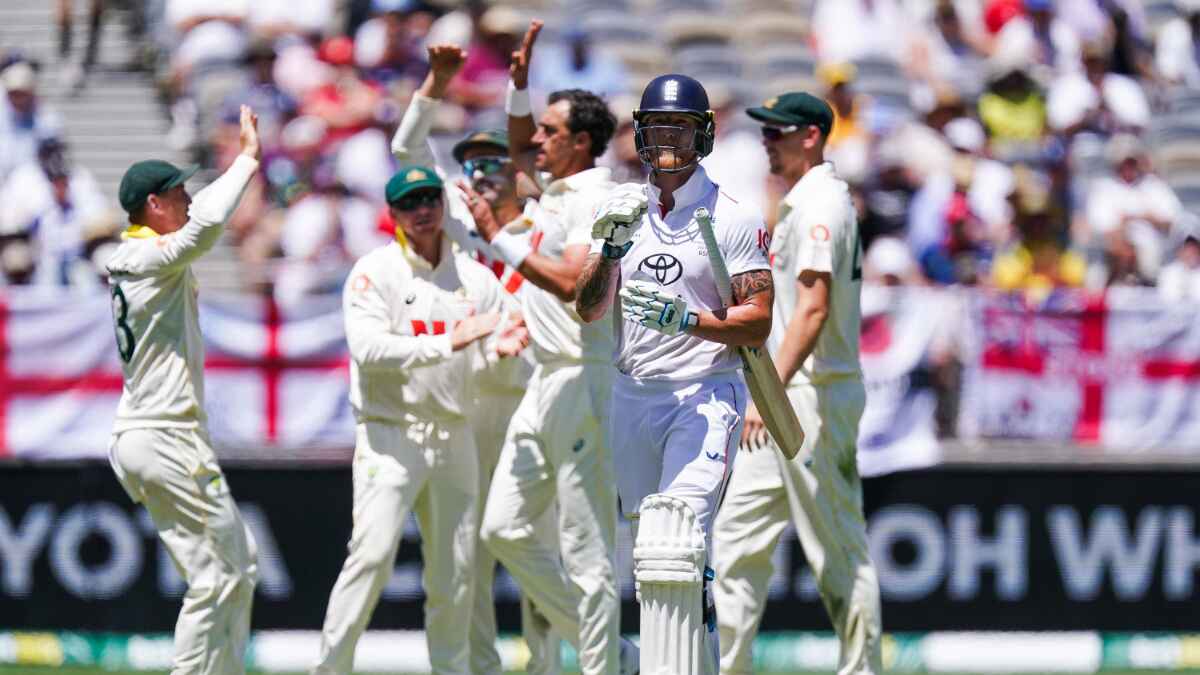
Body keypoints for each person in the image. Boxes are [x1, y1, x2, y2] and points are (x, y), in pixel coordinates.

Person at [576, 73, 774, 675]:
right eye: (659, 125)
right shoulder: (622, 209)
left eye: (681, 127)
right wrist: (607, 250)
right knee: (652, 557)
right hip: (631, 394)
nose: (668, 138)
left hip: (704, 394)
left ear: (703, 134)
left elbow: (757, 323)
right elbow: (588, 309)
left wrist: (689, 320)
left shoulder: (733, 215)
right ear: (639, 131)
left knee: (677, 542)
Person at [467, 20, 637, 675]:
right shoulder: (560, 187)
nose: (535, 140)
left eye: (550, 131)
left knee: (586, 546)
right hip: (547, 379)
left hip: (584, 379)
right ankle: (616, 656)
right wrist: (518, 85)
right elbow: (517, 147)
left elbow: (573, 283)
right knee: (503, 528)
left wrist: (497, 235)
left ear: (582, 143)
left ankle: (602, 667)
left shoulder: (602, 197)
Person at [311, 165, 529, 675]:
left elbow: (493, 348)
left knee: (456, 574)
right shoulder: (374, 272)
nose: (424, 210)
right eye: (411, 203)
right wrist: (448, 341)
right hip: (390, 435)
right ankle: (330, 668)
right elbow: (367, 349)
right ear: (394, 215)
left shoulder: (475, 279)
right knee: (371, 556)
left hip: (455, 434)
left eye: (431, 198)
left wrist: (501, 350)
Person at [388, 43, 551, 675]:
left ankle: (546, 664)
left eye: (493, 163)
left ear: (518, 171)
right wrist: (434, 84)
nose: (481, 173)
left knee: (537, 546)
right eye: (472, 165)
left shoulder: (547, 223)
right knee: (467, 553)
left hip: (537, 401)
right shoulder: (460, 223)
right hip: (474, 401)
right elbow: (406, 151)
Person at [710, 92, 883, 675]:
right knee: (735, 544)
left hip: (810, 396)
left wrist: (773, 391)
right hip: (786, 393)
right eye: (763, 132)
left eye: (776, 132)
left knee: (837, 551)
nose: (766, 141)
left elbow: (812, 310)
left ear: (810, 135)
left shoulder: (819, 205)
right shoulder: (800, 200)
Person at [105, 105, 262, 675]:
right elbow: (203, 231)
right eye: (178, 193)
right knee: (216, 575)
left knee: (241, 565)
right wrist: (245, 161)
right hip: (163, 435)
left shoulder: (145, 259)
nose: (188, 199)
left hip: (161, 434)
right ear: (154, 205)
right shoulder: (144, 257)